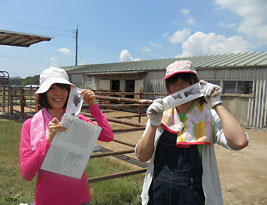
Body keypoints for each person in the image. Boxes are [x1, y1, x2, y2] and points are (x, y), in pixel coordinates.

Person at [135, 60, 249, 205]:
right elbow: (142, 156)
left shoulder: (208, 116)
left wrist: (216, 103)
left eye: (185, 81)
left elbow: (239, 142)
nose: (179, 87)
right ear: (168, 88)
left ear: (194, 84)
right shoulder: (159, 114)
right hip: (158, 192)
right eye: (173, 82)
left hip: (192, 195)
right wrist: (153, 124)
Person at [20, 67, 114, 205]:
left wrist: (93, 106)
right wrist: (48, 140)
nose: (58, 93)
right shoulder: (31, 125)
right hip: (47, 199)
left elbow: (108, 135)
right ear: (43, 93)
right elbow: (27, 174)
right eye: (51, 88)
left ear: (69, 92)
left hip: (80, 199)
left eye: (63, 88)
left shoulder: (76, 119)